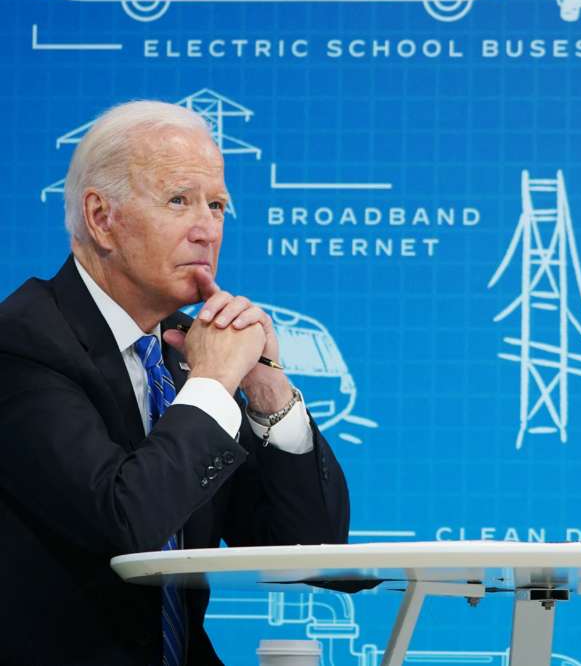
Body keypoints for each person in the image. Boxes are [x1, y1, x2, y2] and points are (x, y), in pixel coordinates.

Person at [0, 101, 351, 665]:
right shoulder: (22, 343)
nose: (206, 228)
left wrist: (268, 392)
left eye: (217, 206)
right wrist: (213, 383)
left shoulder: (184, 351)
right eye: (179, 201)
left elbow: (310, 551)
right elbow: (127, 522)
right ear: (101, 218)